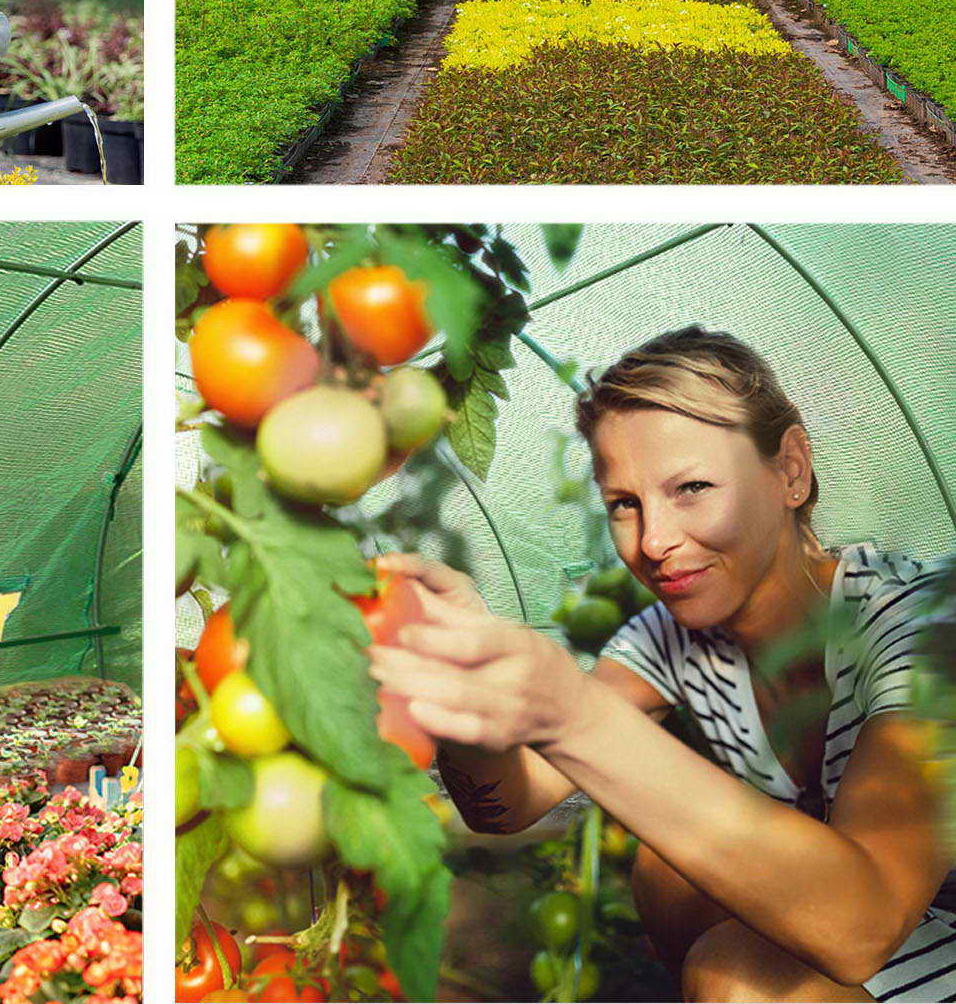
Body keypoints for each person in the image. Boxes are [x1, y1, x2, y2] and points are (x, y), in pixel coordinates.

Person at [369, 327, 954, 1002]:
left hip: (896, 930)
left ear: (791, 471)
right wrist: (464, 690)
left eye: (693, 488)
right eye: (625, 504)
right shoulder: (673, 640)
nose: (653, 542)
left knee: (737, 976)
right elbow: (509, 804)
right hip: (893, 945)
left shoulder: (927, 624)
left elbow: (864, 923)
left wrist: (576, 716)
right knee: (669, 873)